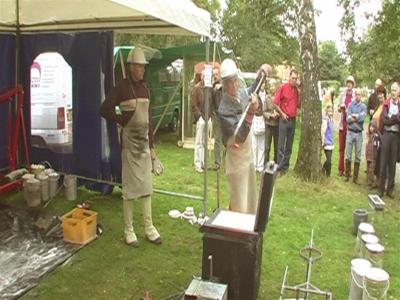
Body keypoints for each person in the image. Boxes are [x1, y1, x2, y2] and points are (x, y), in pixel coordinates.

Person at [99, 47, 161, 247]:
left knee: (146, 187)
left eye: (143, 67)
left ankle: (149, 228)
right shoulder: (122, 88)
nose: (142, 70)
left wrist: (152, 147)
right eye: (140, 67)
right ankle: (129, 230)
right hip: (129, 145)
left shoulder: (145, 88)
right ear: (131, 67)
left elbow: (149, 120)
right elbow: (104, 109)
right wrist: (121, 120)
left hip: (143, 144)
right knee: (129, 189)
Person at [218, 58, 271, 213]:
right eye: (229, 82)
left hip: (248, 158)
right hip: (236, 161)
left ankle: (248, 232)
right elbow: (239, 137)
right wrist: (251, 113)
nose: (234, 85)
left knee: (250, 200)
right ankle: (235, 234)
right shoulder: (223, 109)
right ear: (224, 84)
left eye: (235, 80)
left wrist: (261, 74)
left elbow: (250, 92)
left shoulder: (241, 93)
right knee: (239, 202)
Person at [273, 69, 300, 175]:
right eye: (293, 78)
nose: (294, 80)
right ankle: (279, 168)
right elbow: (275, 103)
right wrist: (282, 114)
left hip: (293, 120)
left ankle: (285, 167)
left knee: (289, 144)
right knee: (281, 145)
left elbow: (298, 105)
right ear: (289, 77)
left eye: (296, 78)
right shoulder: (283, 87)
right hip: (284, 119)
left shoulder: (296, 91)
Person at [378, 82, 400, 198]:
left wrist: (393, 117)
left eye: (395, 90)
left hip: (396, 136)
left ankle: (390, 190)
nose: (393, 92)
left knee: (392, 164)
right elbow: (385, 120)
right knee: (383, 162)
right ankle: (380, 190)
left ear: (399, 91)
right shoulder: (387, 104)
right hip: (386, 134)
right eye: (392, 90)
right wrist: (395, 118)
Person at [190, 70, 212, 173]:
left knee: (204, 142)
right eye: (203, 76)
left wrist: (210, 116)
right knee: (198, 142)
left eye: (206, 76)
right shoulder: (196, 88)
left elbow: (210, 103)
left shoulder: (208, 89)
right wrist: (199, 117)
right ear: (201, 77)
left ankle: (203, 163)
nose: (205, 77)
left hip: (208, 118)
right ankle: (197, 164)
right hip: (201, 119)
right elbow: (193, 105)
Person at [344, 89, 367, 184]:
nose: (358, 96)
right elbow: (347, 119)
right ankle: (347, 175)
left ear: (361, 96)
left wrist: (354, 117)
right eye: (356, 94)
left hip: (358, 133)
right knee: (348, 155)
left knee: (358, 156)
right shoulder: (350, 105)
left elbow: (362, 118)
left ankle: (355, 178)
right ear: (354, 95)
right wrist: (356, 117)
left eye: (359, 95)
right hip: (350, 132)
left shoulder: (363, 106)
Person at [367, 85, 386, 188]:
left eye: (381, 95)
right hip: (374, 135)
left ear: (384, 95)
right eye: (378, 94)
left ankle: (380, 182)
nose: (379, 97)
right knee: (374, 158)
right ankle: (374, 181)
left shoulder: (386, 106)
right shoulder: (378, 106)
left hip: (381, 136)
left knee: (380, 159)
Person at [338, 76, 356, 176]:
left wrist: (348, 109)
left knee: (349, 148)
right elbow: (338, 109)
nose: (349, 84)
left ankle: (348, 171)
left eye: (351, 83)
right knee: (341, 148)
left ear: (353, 85)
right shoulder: (342, 94)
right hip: (342, 123)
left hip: (351, 124)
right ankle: (341, 169)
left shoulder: (354, 96)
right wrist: (340, 108)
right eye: (348, 82)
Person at [251, 80, 267, 172]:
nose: (263, 85)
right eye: (261, 83)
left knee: (261, 144)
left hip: (263, 119)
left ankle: (260, 166)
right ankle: (253, 165)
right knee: (254, 144)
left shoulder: (266, 94)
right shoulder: (255, 94)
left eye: (264, 83)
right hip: (255, 118)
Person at [211, 67, 223, 170]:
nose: (215, 76)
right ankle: (217, 163)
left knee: (227, 140)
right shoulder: (212, 86)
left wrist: (222, 86)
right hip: (217, 116)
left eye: (216, 74)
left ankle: (228, 162)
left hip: (226, 116)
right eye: (213, 74)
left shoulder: (224, 84)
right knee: (217, 139)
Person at [321, 105, 334, 176]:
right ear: (326, 112)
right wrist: (323, 142)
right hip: (326, 143)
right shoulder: (325, 120)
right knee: (328, 160)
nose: (330, 112)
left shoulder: (331, 120)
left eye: (331, 111)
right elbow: (323, 131)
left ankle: (328, 175)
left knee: (330, 160)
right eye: (329, 111)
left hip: (330, 143)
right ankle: (323, 169)